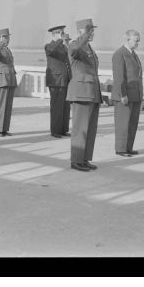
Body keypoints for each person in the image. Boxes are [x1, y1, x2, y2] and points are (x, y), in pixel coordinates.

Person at [66, 19, 102, 172]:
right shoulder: (76, 45)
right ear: (81, 32)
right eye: (89, 30)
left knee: (90, 129)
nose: (92, 33)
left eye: (92, 30)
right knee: (80, 128)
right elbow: (73, 49)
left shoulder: (89, 48)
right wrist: (84, 36)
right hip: (81, 92)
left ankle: (85, 158)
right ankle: (76, 160)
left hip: (91, 92)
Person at [112, 30, 143, 157]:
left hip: (135, 94)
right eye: (136, 41)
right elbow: (119, 77)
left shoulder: (133, 54)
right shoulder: (119, 54)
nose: (138, 43)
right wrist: (122, 94)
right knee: (123, 124)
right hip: (124, 95)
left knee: (132, 123)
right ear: (127, 40)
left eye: (138, 41)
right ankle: (120, 149)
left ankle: (128, 147)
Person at [45, 25, 72, 138]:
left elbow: (68, 63)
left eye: (62, 32)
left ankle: (63, 129)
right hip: (55, 81)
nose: (62, 34)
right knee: (56, 106)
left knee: (65, 107)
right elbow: (52, 50)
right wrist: (60, 39)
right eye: (60, 33)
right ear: (54, 34)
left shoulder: (63, 47)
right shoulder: (49, 46)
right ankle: (55, 130)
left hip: (65, 80)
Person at [0, 28, 17, 137]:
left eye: (8, 37)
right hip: (1, 80)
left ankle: (4, 128)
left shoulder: (7, 49)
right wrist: (0, 42)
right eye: (5, 37)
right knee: (0, 105)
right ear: (0, 38)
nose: (8, 39)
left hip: (10, 79)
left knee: (8, 106)